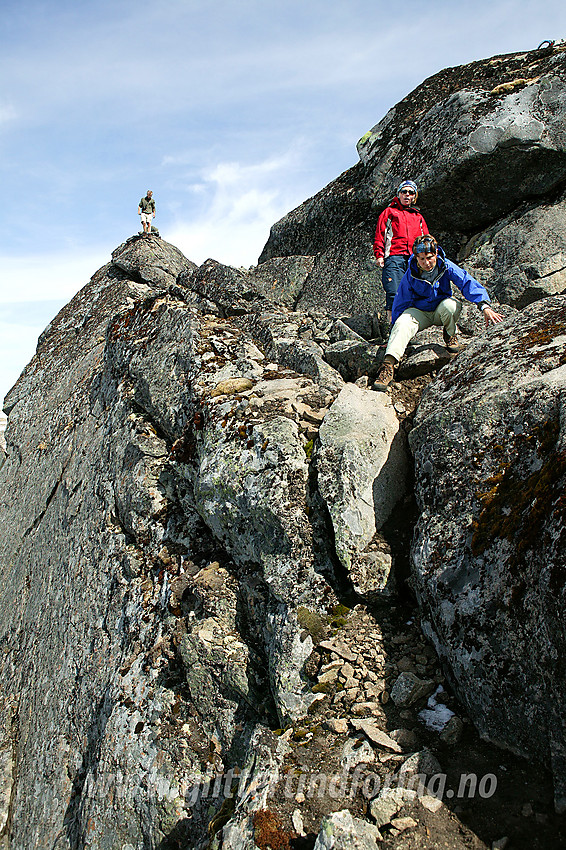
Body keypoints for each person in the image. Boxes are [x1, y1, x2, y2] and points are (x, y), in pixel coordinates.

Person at [373, 235, 503, 391]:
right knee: (402, 323)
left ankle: (450, 335)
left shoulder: (446, 266)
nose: (426, 263)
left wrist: (484, 306)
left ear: (436, 254)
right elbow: (401, 302)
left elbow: (466, 281)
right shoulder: (411, 273)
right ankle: (388, 366)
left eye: (429, 257)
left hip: (441, 309)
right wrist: (393, 332)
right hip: (419, 312)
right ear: (416, 257)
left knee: (452, 305)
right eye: (421, 259)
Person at [373, 180, 429, 326]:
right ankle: (393, 330)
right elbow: (380, 235)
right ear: (398, 194)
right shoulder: (389, 213)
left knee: (413, 294)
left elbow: (426, 240)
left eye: (411, 193)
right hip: (394, 257)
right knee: (393, 293)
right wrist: (379, 255)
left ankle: (408, 330)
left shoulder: (418, 217)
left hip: (414, 259)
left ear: (414, 197)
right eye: (404, 191)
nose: (407, 195)